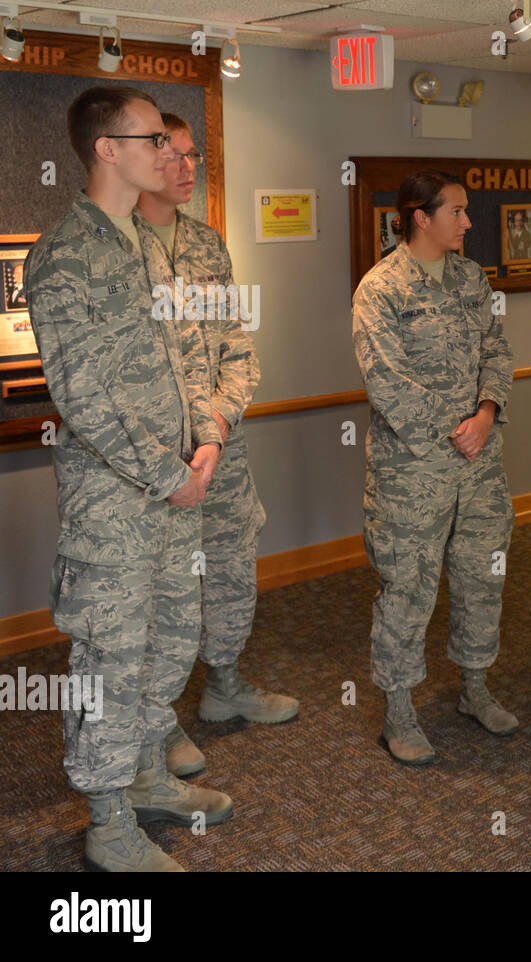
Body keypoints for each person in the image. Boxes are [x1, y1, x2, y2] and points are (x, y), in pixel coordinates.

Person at [24, 86, 233, 872]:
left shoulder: (149, 245)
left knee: (169, 639)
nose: (169, 154)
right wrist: (164, 472)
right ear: (108, 149)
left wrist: (205, 440)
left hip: (180, 487)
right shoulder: (64, 255)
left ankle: (148, 776)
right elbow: (81, 394)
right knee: (109, 657)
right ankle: (108, 820)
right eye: (152, 140)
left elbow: (191, 360)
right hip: (116, 503)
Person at [137, 112, 299, 778]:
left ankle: (224, 682)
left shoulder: (207, 244)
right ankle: (158, 716)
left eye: (193, 155)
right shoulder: (117, 249)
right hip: (158, 460)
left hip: (221, 450)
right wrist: (181, 447)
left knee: (232, 564)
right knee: (161, 586)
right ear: (139, 159)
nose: (186, 167)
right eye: (172, 155)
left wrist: (219, 428)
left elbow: (237, 344)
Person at [352, 170, 516, 766]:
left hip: (481, 464)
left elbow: (496, 348)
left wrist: (487, 411)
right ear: (420, 217)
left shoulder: (473, 278)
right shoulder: (380, 290)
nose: (468, 223)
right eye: (457, 212)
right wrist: (458, 428)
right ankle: (398, 712)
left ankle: (475, 688)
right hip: (413, 471)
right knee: (407, 588)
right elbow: (386, 381)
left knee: (481, 576)